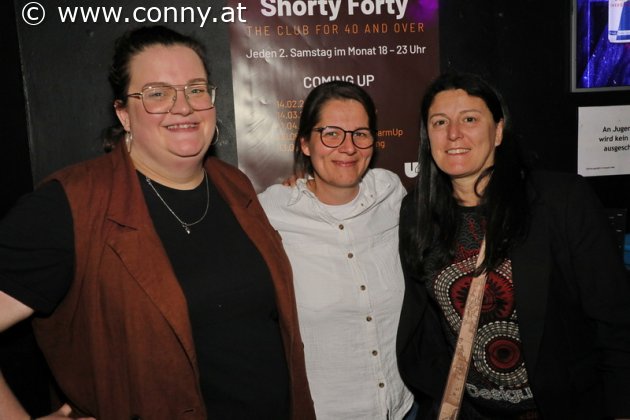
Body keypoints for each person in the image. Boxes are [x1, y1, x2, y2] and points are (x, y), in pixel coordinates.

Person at [0, 25, 315, 419]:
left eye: (196, 89)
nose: (183, 107)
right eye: (157, 93)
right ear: (123, 113)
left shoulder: (233, 184)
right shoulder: (70, 205)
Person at [396, 71, 630, 419]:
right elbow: (425, 323)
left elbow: (616, 321)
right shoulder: (417, 212)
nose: (453, 133)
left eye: (470, 119)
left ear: (498, 131)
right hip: (468, 411)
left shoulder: (560, 201)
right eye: (439, 122)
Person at [258, 81, 415, 419]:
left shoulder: (390, 192)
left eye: (360, 134)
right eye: (331, 133)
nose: (348, 147)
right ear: (305, 143)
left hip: (403, 408)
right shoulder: (272, 211)